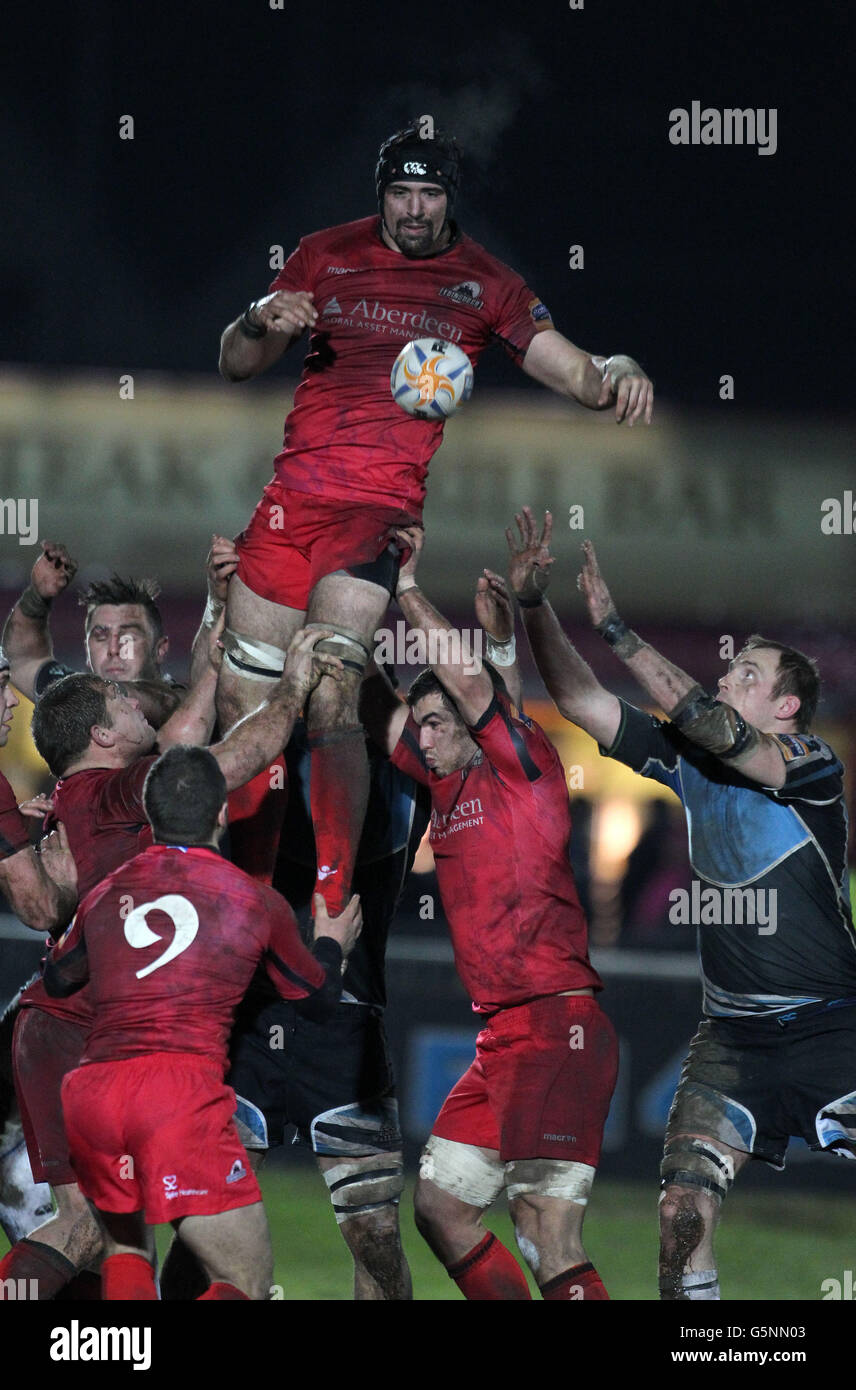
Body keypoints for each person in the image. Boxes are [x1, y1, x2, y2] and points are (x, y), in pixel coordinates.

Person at [215, 120, 654, 930]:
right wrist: (257, 319)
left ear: (451, 198)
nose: (414, 210)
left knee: (335, 680)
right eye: (400, 194)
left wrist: (618, 368)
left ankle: (330, 902)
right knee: (246, 701)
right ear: (380, 194)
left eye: (429, 195)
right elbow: (235, 361)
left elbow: (581, 374)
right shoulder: (322, 252)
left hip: (376, 512)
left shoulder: (486, 284)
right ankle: (248, 902)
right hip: (287, 505)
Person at [506, 506, 855, 1301]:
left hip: (835, 1026)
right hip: (732, 1036)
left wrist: (621, 630)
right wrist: (536, 609)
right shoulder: (690, 758)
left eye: (746, 676)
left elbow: (719, 730)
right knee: (681, 1210)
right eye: (729, 673)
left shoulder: (808, 763)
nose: (728, 679)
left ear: (787, 707)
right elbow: (584, 702)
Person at [0, 626, 343, 1298]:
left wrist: (214, 649)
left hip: (53, 1025)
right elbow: (226, 759)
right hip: (92, 1036)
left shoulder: (67, 806)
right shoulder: (122, 791)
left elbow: (43, 915)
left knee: (107, 1233)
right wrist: (294, 691)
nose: (140, 709)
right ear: (100, 736)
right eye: (124, 704)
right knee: (118, 1238)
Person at [361, 528, 618, 1301]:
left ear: (479, 730)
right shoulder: (448, 785)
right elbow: (380, 706)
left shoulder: (524, 765)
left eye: (439, 722)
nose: (424, 735)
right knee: (440, 1209)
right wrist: (347, 611)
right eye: (424, 724)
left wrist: (406, 585)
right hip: (502, 1036)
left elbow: (475, 684)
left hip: (557, 1025)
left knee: (544, 1227)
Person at [42, 745, 360, 1301]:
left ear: (151, 813)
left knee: (126, 1251)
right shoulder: (253, 901)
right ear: (220, 814)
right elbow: (316, 1000)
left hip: (93, 1093)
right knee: (245, 1283)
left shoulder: (107, 891)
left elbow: (59, 980)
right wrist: (333, 945)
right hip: (174, 1094)